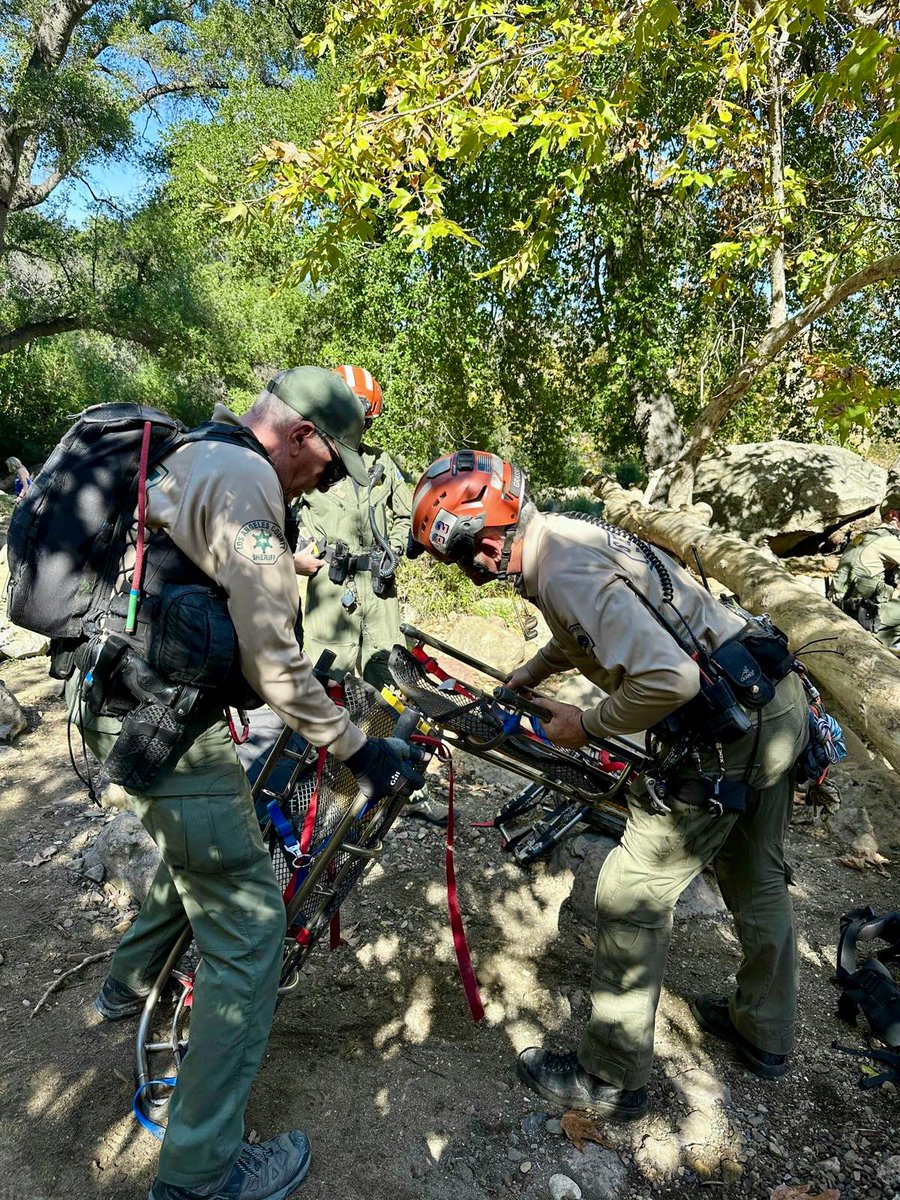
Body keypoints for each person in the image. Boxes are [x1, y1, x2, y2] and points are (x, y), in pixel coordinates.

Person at [71, 367, 419, 1200]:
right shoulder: (248, 477)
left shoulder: (199, 453)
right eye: (329, 466)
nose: (325, 481)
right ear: (300, 436)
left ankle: (122, 990)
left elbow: (205, 558)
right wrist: (355, 749)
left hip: (123, 702)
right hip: (168, 727)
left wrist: (289, 559)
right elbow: (272, 660)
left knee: (201, 857)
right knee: (250, 932)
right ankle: (201, 1174)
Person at [408, 450, 810, 1120]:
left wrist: (587, 725)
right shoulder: (562, 542)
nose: (468, 574)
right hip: (773, 703)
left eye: (461, 557)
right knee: (756, 873)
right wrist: (526, 678)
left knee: (630, 891)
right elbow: (582, 638)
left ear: (485, 534)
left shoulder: (564, 569)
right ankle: (763, 1030)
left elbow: (670, 681)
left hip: (726, 731)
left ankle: (610, 1078)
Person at [293, 364, 445, 824]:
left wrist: (396, 548)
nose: (358, 432)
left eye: (364, 423)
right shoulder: (309, 466)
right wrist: (292, 553)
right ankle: (309, 790)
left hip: (378, 593)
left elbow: (406, 515)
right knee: (319, 686)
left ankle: (393, 784)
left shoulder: (381, 467)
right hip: (329, 592)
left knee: (391, 686)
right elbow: (272, 518)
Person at [831, 490, 900, 653]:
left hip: (843, 603)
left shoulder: (868, 535)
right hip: (861, 614)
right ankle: (881, 646)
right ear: (893, 515)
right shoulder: (888, 541)